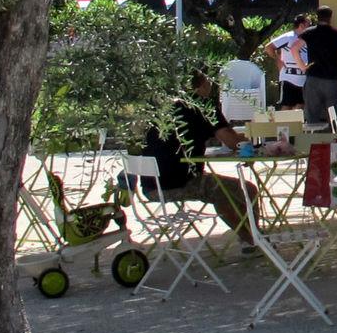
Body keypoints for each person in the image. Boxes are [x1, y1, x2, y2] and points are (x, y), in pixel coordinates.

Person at [133, 72, 259, 250]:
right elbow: (232, 142)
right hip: (180, 181)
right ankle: (251, 239)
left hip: (150, 186)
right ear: (201, 85)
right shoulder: (202, 106)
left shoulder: (159, 105)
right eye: (208, 82)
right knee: (243, 189)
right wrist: (258, 136)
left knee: (224, 189)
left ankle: (249, 237)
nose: (210, 87)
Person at [301, 5, 337, 131]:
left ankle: (312, 145)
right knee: (333, 115)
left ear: (317, 17)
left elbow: (294, 48)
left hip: (313, 79)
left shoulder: (309, 33)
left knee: (312, 115)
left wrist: (302, 66)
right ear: (330, 17)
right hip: (332, 80)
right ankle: (334, 143)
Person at [264, 14, 312, 110]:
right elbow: (269, 47)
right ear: (301, 25)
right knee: (287, 105)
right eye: (308, 25)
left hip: (303, 77)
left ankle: (296, 125)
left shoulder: (308, 38)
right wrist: (278, 60)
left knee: (300, 105)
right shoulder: (288, 37)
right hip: (289, 77)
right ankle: (283, 125)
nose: (310, 27)